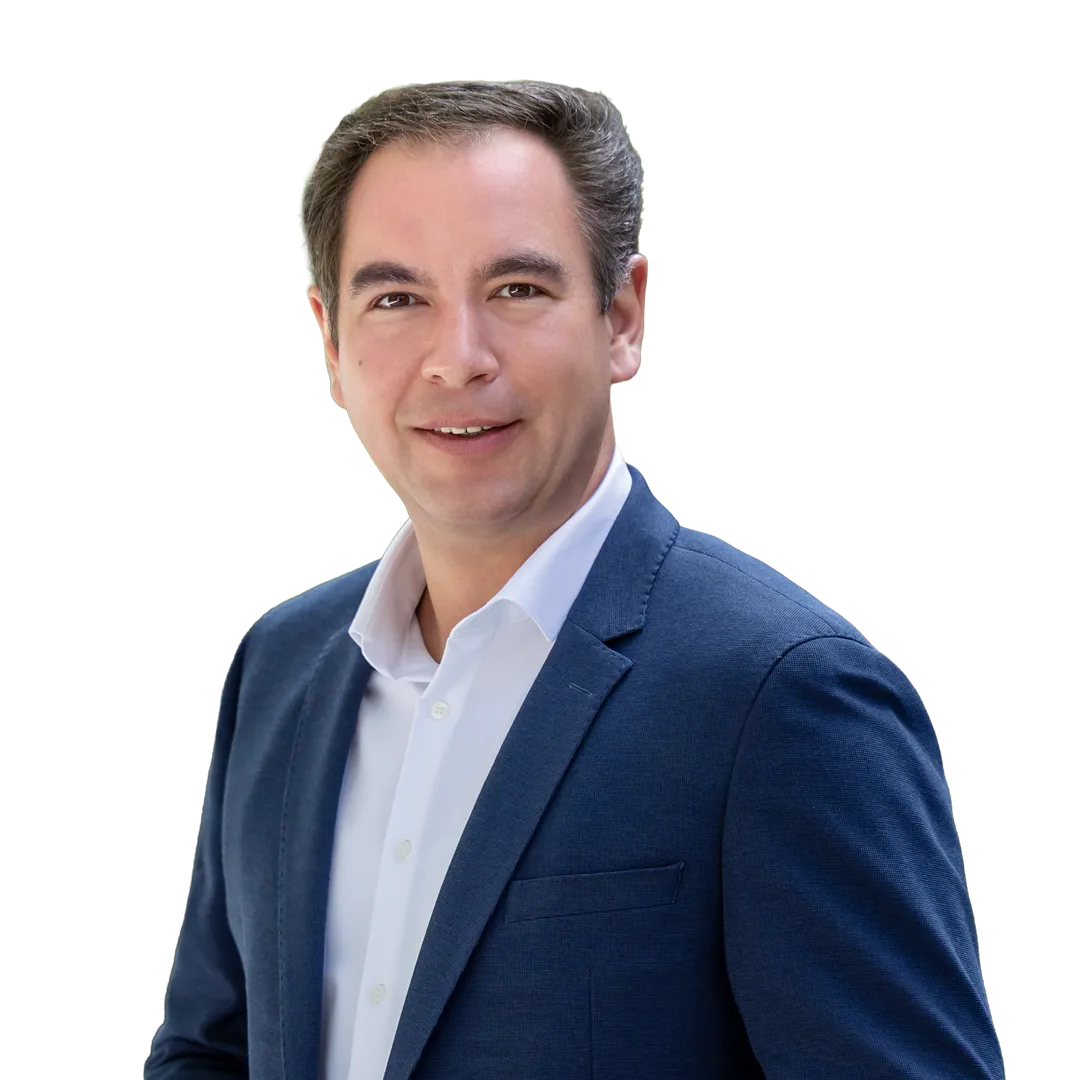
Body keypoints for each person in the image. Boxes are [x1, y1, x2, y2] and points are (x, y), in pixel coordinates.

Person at [144, 80, 1006, 1079]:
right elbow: (209, 1049)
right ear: (331, 342)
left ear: (621, 318)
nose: (457, 359)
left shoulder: (783, 695)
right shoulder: (283, 665)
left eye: (517, 289)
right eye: (397, 299)